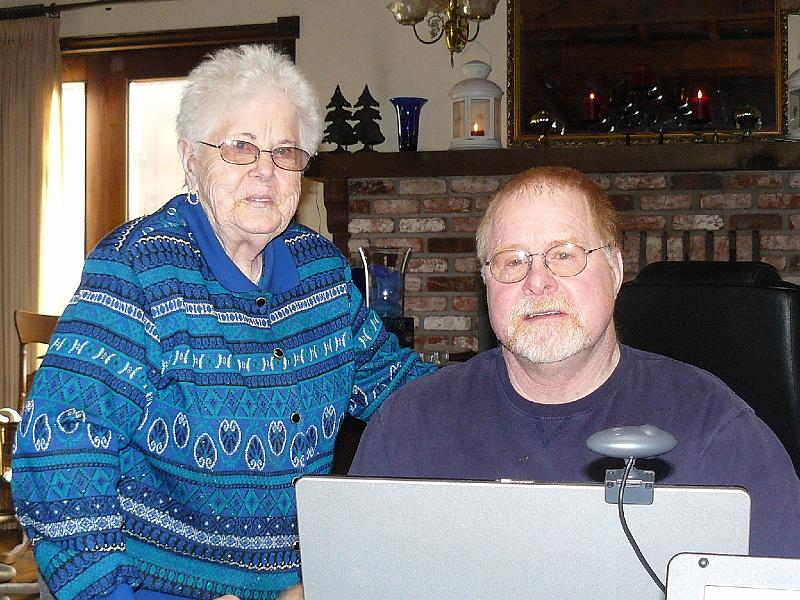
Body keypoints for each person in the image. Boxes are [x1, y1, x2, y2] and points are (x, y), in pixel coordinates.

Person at [12, 44, 435, 600]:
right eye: (240, 147)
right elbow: (57, 452)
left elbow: (392, 384)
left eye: (285, 152)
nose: (265, 170)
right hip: (149, 588)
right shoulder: (137, 269)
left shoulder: (322, 274)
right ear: (191, 158)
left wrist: (507, 386)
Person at [350, 166, 800, 558]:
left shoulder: (715, 428)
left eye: (564, 255)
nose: (538, 282)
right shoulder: (409, 428)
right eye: (512, 262)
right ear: (486, 281)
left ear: (617, 270)